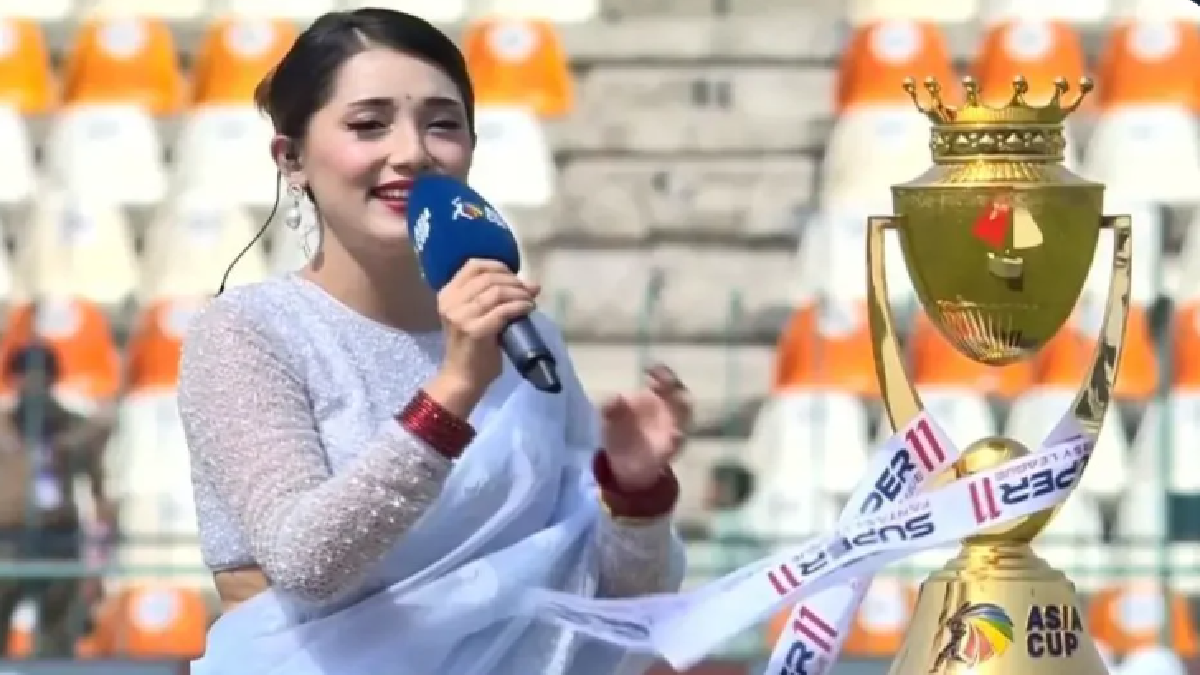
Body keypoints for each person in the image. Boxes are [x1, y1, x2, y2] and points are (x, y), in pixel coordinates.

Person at [179, 9, 690, 675]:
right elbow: (307, 565)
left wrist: (635, 493)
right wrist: (453, 390)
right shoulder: (247, 333)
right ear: (292, 158)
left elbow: (618, 601)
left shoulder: (524, 336)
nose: (413, 152)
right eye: (369, 124)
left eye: (442, 124)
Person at [0, 343, 114, 657]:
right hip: (7, 538)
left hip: (58, 536)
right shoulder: (3, 428)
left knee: (57, 637)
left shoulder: (74, 429)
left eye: (42, 376)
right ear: (13, 380)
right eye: (25, 376)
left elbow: (101, 494)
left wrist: (99, 561)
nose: (33, 385)